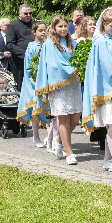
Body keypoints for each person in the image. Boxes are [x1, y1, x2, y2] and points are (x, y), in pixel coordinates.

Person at [82, 9, 112, 173]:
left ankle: (107, 160)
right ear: (104, 24)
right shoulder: (102, 41)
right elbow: (109, 67)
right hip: (108, 89)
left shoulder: (109, 39)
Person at [34, 15, 82, 165]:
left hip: (74, 84)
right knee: (63, 118)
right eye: (60, 26)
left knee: (75, 117)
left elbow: (80, 59)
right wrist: (71, 70)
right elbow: (53, 66)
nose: (63, 29)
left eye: (65, 26)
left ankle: (58, 139)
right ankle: (69, 153)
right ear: (54, 28)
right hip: (58, 85)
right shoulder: (49, 44)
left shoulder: (73, 43)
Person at [17, 21, 48, 148]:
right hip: (33, 83)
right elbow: (29, 68)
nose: (43, 32)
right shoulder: (31, 47)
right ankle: (36, 136)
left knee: (47, 109)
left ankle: (51, 136)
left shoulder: (47, 45)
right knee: (35, 110)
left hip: (46, 82)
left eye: (45, 30)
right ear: (34, 32)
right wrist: (35, 82)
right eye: (40, 30)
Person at [6, 4, 34, 91]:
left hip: (36, 59)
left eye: (30, 13)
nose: (28, 15)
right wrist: (25, 54)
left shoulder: (35, 24)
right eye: (26, 13)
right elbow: (10, 44)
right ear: (19, 13)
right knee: (22, 87)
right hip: (20, 62)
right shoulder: (12, 26)